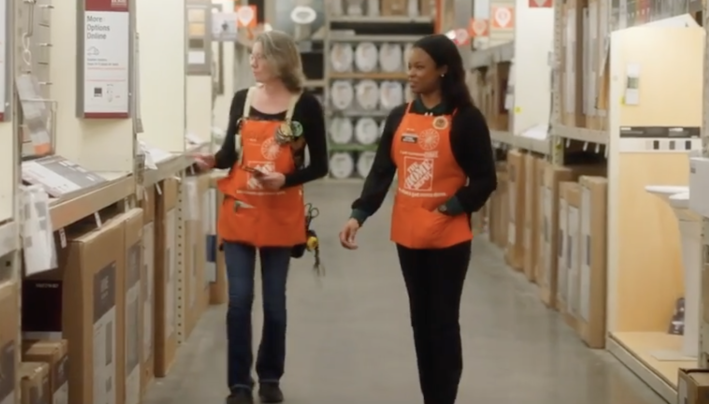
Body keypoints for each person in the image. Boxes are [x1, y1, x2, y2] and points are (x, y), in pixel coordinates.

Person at [337, 33, 497, 404]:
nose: (411, 73)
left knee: (443, 321)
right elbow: (381, 172)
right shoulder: (400, 117)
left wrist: (453, 207)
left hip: (448, 238)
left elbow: (486, 179)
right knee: (420, 323)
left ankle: (444, 397)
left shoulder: (466, 120)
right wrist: (358, 214)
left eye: (419, 67)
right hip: (408, 237)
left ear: (443, 70)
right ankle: (431, 396)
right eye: (409, 66)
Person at [195, 30, 329, 404]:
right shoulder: (242, 100)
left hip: (281, 215)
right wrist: (211, 161)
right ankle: (239, 384)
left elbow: (321, 166)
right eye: (251, 56)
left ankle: (270, 377)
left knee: (274, 302)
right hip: (239, 212)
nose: (252, 62)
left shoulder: (306, 106)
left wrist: (284, 178)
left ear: (280, 61)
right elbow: (227, 153)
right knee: (239, 300)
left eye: (259, 57)